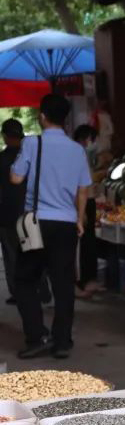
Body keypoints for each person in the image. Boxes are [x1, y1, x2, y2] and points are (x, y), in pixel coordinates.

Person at [11, 94, 93, 360]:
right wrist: (79, 219)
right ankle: (62, 342)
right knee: (63, 284)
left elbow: (16, 178)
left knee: (25, 280)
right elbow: (83, 190)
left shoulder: (32, 143)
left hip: (36, 223)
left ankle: (37, 337)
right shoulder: (77, 150)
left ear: (42, 116)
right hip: (66, 224)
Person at [0, 119, 51, 307]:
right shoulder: (32, 157)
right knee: (34, 251)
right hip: (31, 213)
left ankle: (19, 293)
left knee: (12, 256)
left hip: (7, 214)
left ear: (5, 136)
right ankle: (43, 289)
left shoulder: (1, 159)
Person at [72, 124, 103, 297]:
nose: (95, 143)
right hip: (82, 201)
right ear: (87, 139)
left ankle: (89, 280)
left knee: (89, 242)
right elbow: (77, 183)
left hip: (89, 200)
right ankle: (81, 282)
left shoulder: (84, 153)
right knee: (83, 244)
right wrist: (81, 211)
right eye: (93, 139)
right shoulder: (77, 153)